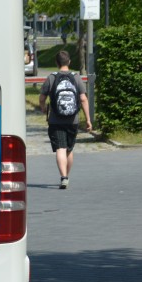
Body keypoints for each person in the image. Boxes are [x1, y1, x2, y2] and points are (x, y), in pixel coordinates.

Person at [38, 50, 93, 189]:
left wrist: (43, 108)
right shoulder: (76, 77)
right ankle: (66, 176)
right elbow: (83, 99)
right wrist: (88, 119)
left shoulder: (51, 77)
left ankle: (63, 177)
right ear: (69, 62)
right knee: (69, 149)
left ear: (56, 63)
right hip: (72, 120)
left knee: (60, 148)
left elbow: (42, 97)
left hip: (56, 120)